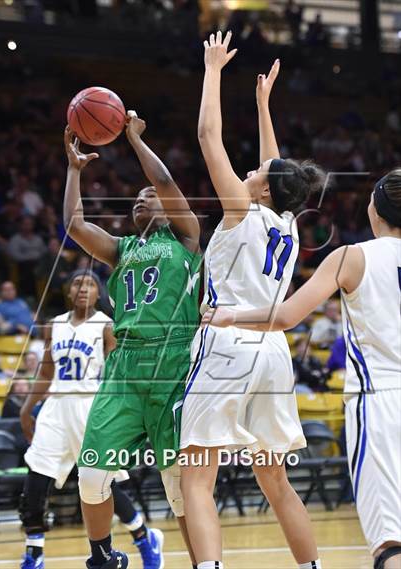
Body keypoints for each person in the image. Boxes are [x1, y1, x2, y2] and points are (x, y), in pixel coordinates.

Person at [202, 168, 401, 569]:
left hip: (382, 404)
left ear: (375, 209)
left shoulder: (352, 256)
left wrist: (230, 316)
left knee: (391, 545)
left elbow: (289, 315)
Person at [180, 31, 325, 569]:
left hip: (226, 342)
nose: (252, 168)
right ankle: (311, 567)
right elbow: (278, 166)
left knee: (198, 473)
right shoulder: (286, 219)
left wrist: (213, 69)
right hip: (272, 351)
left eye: (258, 172)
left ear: (262, 189)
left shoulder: (241, 209)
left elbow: (206, 135)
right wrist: (264, 106)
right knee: (275, 478)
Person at [63, 113, 201, 569]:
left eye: (151, 197)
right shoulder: (122, 248)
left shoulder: (186, 238)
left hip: (173, 363)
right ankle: (103, 557)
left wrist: (135, 139)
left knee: (180, 487)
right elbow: (75, 226)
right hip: (124, 366)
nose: (144, 199)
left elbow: (161, 178)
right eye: (137, 198)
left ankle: (205, 562)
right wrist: (74, 170)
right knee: (91, 472)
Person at [19, 271, 159, 569]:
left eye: (91, 284)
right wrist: (27, 407)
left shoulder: (106, 326)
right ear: (69, 292)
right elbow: (46, 373)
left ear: (99, 293)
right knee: (35, 480)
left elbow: (119, 374)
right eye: (77, 284)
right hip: (56, 409)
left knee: (101, 484)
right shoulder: (54, 325)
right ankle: (33, 555)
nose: (83, 288)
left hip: (91, 407)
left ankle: (145, 539)